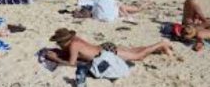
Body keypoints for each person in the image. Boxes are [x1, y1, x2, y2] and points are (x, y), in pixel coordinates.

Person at [46, 28, 174, 66]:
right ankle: (159, 48)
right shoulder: (75, 40)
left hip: (107, 53)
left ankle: (161, 44)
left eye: (58, 43)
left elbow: (72, 63)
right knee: (134, 50)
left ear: (64, 42)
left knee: (138, 56)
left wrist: (55, 58)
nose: (58, 45)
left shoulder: (73, 45)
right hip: (104, 47)